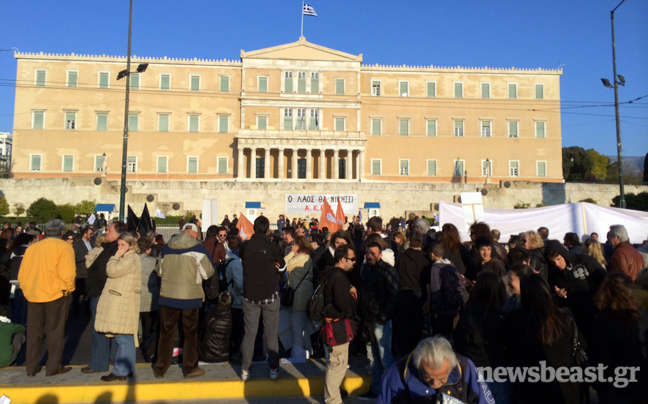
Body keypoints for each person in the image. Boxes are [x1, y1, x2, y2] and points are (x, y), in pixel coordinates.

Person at [503, 274, 584, 404]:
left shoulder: (516, 319)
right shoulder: (563, 317)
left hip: (530, 388)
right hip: (565, 388)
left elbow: (509, 351)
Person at [154, 223, 214, 378]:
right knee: (190, 333)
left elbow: (159, 272)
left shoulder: (166, 248)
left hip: (168, 295)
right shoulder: (199, 249)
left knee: (166, 332)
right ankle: (190, 367)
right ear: (194, 233)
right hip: (190, 296)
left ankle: (160, 367)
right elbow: (207, 273)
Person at [18, 219, 75, 376]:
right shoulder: (65, 247)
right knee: (55, 332)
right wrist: (68, 290)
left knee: (34, 333)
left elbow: (22, 274)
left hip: (33, 294)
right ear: (62, 232)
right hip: (55, 294)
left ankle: (31, 367)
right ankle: (53, 367)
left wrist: (26, 289)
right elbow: (68, 273)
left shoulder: (33, 248)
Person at [378, 336, 493, 404]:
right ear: (417, 364)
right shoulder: (396, 373)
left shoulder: (466, 368)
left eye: (442, 378)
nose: (435, 383)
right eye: (428, 377)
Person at [239, 215, 286, 382]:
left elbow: (243, 260)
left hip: (250, 296)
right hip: (270, 295)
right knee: (271, 334)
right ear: (267, 230)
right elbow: (283, 268)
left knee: (250, 334)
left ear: (253, 228)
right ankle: (273, 368)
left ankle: (245, 369)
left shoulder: (246, 246)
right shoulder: (272, 246)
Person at [590, 273, 648, 404]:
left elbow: (600, 359)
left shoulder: (603, 322)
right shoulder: (642, 316)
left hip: (616, 387)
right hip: (641, 384)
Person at [454, 272, 511, 404]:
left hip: (475, 369)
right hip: (497, 370)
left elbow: (459, 339)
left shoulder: (469, 311)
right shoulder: (501, 313)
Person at [94, 232, 141, 382]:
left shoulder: (131, 258)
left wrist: (114, 256)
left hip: (123, 301)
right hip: (122, 300)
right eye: (118, 245)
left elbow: (112, 271)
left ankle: (121, 371)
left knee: (124, 337)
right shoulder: (129, 257)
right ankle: (126, 369)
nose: (119, 248)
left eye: (123, 245)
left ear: (131, 245)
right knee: (124, 336)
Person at [83, 221, 127, 375]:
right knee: (107, 329)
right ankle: (107, 361)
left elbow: (105, 272)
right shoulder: (110, 248)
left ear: (118, 233)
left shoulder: (115, 249)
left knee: (101, 329)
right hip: (102, 292)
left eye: (109, 230)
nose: (106, 232)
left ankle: (100, 363)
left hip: (103, 293)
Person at [358, 241, 399, 400]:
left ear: (380, 255)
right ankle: (375, 390)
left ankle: (394, 392)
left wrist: (382, 318)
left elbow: (393, 296)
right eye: (367, 253)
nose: (369, 256)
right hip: (369, 320)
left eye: (373, 253)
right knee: (374, 359)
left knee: (385, 358)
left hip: (381, 322)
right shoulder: (366, 270)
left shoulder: (388, 271)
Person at [544, 239, 606, 341]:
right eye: (553, 262)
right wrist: (559, 295)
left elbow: (605, 281)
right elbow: (553, 295)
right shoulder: (553, 273)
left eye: (559, 259)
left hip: (596, 312)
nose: (557, 264)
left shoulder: (585, 261)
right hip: (575, 317)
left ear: (563, 254)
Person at [321, 245, 358, 404]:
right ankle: (333, 399)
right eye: (352, 259)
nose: (354, 262)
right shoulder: (340, 279)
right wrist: (353, 295)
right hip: (337, 327)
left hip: (329, 325)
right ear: (343, 260)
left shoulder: (327, 274)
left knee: (334, 363)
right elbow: (343, 305)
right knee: (337, 365)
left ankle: (333, 395)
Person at [393, 231, 429, 358]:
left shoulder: (401, 256)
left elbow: (396, 274)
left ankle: (404, 354)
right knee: (417, 327)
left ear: (409, 241)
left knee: (403, 326)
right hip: (419, 295)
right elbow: (427, 281)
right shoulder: (425, 258)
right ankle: (415, 352)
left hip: (403, 294)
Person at [282, 235, 314, 359]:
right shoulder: (308, 257)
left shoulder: (300, 258)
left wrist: (291, 253)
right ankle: (308, 353)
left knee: (297, 328)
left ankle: (298, 356)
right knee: (304, 327)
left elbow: (283, 265)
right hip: (306, 294)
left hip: (299, 297)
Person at [425, 243, 464, 338]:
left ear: (432, 254)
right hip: (453, 306)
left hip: (442, 309)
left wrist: (434, 311)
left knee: (439, 337)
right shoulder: (450, 265)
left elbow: (436, 290)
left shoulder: (435, 268)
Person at [137, 237, 159, 362]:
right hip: (150, 297)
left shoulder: (133, 260)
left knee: (140, 326)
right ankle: (149, 351)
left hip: (137, 296)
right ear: (148, 249)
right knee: (150, 327)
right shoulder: (152, 261)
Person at [224, 235, 244, 358]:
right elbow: (240, 284)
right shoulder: (236, 262)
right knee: (238, 329)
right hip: (237, 300)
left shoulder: (228, 259)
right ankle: (236, 351)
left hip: (231, 297)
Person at [72, 226, 94, 315]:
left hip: (89, 273)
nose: (92, 235)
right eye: (90, 234)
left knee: (88, 294)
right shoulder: (77, 244)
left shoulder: (92, 243)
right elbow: (73, 258)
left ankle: (87, 311)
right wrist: (83, 257)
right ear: (85, 234)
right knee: (77, 294)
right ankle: (75, 312)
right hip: (80, 273)